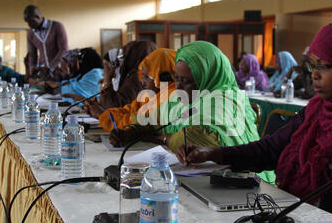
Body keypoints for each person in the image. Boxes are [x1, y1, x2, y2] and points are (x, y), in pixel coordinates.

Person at [174, 18, 332, 223]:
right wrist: (213, 154)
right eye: (312, 65)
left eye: (325, 66)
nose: (314, 75)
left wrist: (305, 218)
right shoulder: (317, 110)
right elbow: (271, 149)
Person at [108, 41, 260, 154]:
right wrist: (131, 131)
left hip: (242, 185)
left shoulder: (226, 100)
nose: (178, 87)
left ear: (206, 78)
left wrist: (161, 138)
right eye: (177, 78)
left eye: (186, 81)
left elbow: (195, 139)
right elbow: (151, 118)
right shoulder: (183, 98)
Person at [97, 48, 176, 131]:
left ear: (162, 78)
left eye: (146, 77)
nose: (142, 82)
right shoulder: (149, 96)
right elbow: (129, 110)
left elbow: (134, 123)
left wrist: (101, 115)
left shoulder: (170, 96)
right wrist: (104, 115)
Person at [95, 40, 157, 111]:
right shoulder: (132, 75)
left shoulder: (137, 77)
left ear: (133, 56)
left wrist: (107, 80)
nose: (124, 59)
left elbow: (115, 108)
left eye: (127, 55)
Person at [24, 5, 69, 81]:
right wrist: (32, 70)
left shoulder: (57, 26)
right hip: (43, 72)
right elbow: (32, 55)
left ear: (38, 17)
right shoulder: (30, 33)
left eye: (31, 22)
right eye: (27, 22)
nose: (29, 25)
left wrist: (50, 67)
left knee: (60, 91)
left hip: (60, 70)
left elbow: (64, 49)